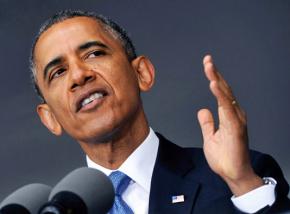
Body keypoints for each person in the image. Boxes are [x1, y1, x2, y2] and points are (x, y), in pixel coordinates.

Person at [29, 10, 290, 213]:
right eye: (58, 72)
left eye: (94, 53)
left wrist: (243, 183)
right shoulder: (59, 211)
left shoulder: (235, 176)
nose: (78, 75)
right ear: (49, 118)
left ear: (141, 73)